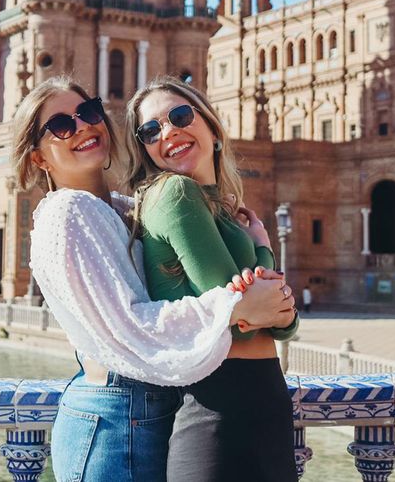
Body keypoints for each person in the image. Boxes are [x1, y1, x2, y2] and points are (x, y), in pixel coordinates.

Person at [12, 76, 297, 482]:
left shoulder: (122, 209)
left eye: (88, 112)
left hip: (148, 411)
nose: (82, 126)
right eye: (61, 126)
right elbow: (130, 327)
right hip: (114, 420)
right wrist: (233, 305)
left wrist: (255, 289)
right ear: (39, 159)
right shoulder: (67, 215)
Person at [126, 76, 299, 482]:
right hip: (218, 409)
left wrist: (274, 313)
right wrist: (263, 248)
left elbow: (285, 322)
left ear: (212, 127)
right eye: (151, 130)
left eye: (180, 116)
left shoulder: (220, 207)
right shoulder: (176, 194)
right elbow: (236, 316)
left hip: (262, 405)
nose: (169, 131)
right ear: (146, 149)